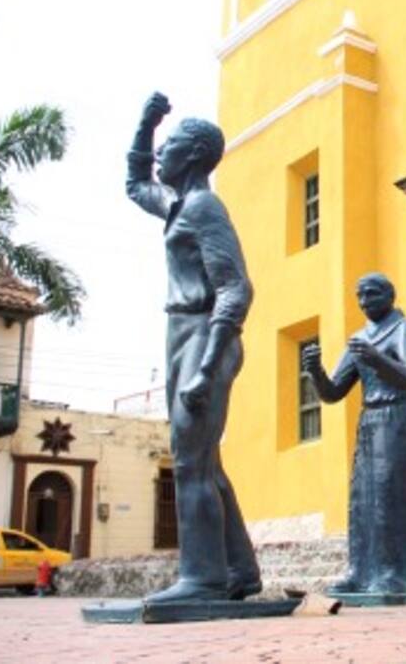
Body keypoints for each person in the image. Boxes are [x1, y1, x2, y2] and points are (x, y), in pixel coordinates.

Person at [126, 91, 261, 603]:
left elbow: (235, 288)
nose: (161, 151)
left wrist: (206, 369)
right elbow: (136, 183)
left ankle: (202, 578)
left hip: (207, 336)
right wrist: (145, 124)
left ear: (196, 156)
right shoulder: (178, 204)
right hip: (184, 334)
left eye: (171, 144)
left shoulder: (203, 207)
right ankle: (240, 572)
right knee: (203, 457)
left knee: (190, 460)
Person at [300, 274, 406, 596]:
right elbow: (333, 392)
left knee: (391, 495)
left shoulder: (403, 328)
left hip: (397, 416)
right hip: (370, 422)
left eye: (371, 294)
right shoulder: (359, 338)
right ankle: (361, 572)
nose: (364, 301)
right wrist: (316, 370)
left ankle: (397, 574)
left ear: (389, 295)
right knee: (363, 500)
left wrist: (374, 357)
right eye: (359, 296)